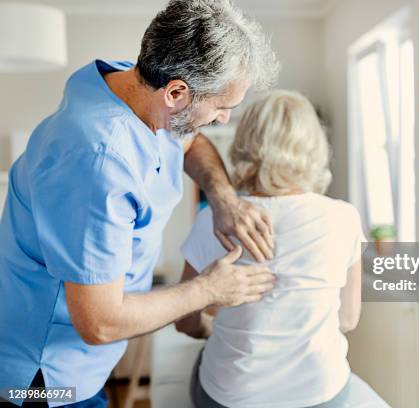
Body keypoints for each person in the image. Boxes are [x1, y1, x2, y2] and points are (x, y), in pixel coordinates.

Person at [0, 1, 279, 406]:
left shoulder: (133, 82)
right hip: (41, 381)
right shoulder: (98, 163)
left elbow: (191, 141)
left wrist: (223, 197)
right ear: (177, 93)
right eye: (221, 107)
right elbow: (100, 321)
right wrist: (208, 288)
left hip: (84, 365)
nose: (222, 120)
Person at [176, 90, 366, 407]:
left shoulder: (214, 218)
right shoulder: (344, 216)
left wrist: (211, 328)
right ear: (314, 148)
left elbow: (185, 321)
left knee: (202, 368)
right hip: (321, 393)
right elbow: (347, 319)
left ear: (244, 145)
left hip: (232, 396)